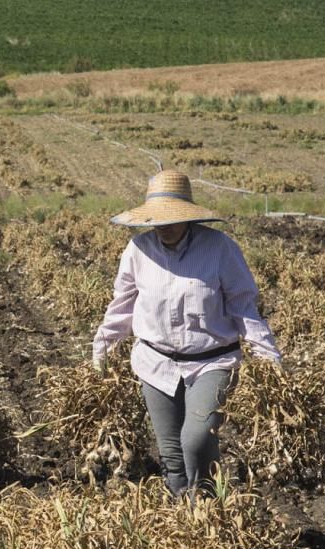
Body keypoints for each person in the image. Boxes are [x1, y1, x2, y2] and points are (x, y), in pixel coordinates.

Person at [92, 170, 281, 498]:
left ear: (188, 217)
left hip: (212, 361)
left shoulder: (219, 248)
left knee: (196, 439)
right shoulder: (139, 250)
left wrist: (269, 359)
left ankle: (211, 512)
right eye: (157, 220)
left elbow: (243, 306)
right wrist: (102, 349)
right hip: (156, 362)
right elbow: (122, 305)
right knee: (171, 455)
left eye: (171, 219)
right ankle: (186, 525)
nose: (163, 226)